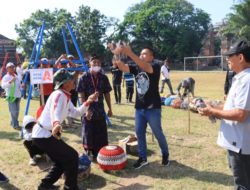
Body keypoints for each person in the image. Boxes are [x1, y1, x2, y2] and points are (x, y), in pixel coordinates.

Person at [32, 68, 98, 190]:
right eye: (72, 79)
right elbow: (55, 110)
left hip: (45, 134)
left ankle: (45, 186)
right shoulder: (58, 95)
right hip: (44, 134)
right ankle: (70, 187)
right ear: (66, 82)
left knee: (62, 160)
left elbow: (75, 113)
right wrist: (56, 123)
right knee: (72, 156)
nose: (74, 81)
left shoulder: (65, 96)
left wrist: (88, 101)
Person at [199, 39, 250, 190]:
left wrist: (212, 111)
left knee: (242, 185)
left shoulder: (247, 80)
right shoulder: (240, 78)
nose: (227, 59)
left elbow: (241, 114)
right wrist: (213, 106)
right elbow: (233, 106)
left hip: (240, 144)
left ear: (240, 58)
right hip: (236, 143)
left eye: (230, 56)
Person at [110, 44, 170, 169]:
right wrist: (115, 53)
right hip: (139, 107)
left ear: (151, 57)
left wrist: (130, 53)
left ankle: (165, 154)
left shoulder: (155, 65)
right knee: (139, 133)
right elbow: (121, 66)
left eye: (145, 54)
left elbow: (146, 67)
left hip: (153, 107)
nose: (142, 55)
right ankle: (142, 158)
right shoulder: (137, 67)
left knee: (157, 132)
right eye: (141, 53)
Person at [77, 55, 112, 161]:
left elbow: (107, 94)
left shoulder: (104, 78)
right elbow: (81, 95)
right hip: (88, 109)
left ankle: (100, 151)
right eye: (94, 63)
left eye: (98, 63)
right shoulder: (84, 77)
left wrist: (110, 108)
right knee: (88, 131)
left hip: (100, 109)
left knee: (101, 131)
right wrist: (86, 110)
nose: (96, 65)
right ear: (89, 64)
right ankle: (89, 152)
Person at [1, 62, 22, 129]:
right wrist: (10, 82)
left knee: (17, 111)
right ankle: (15, 125)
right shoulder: (6, 77)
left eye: (13, 67)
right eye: (10, 67)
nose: (12, 68)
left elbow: (19, 86)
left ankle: (12, 122)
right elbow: (3, 86)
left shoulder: (16, 76)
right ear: (7, 69)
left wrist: (22, 86)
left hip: (18, 96)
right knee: (13, 111)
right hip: (10, 96)